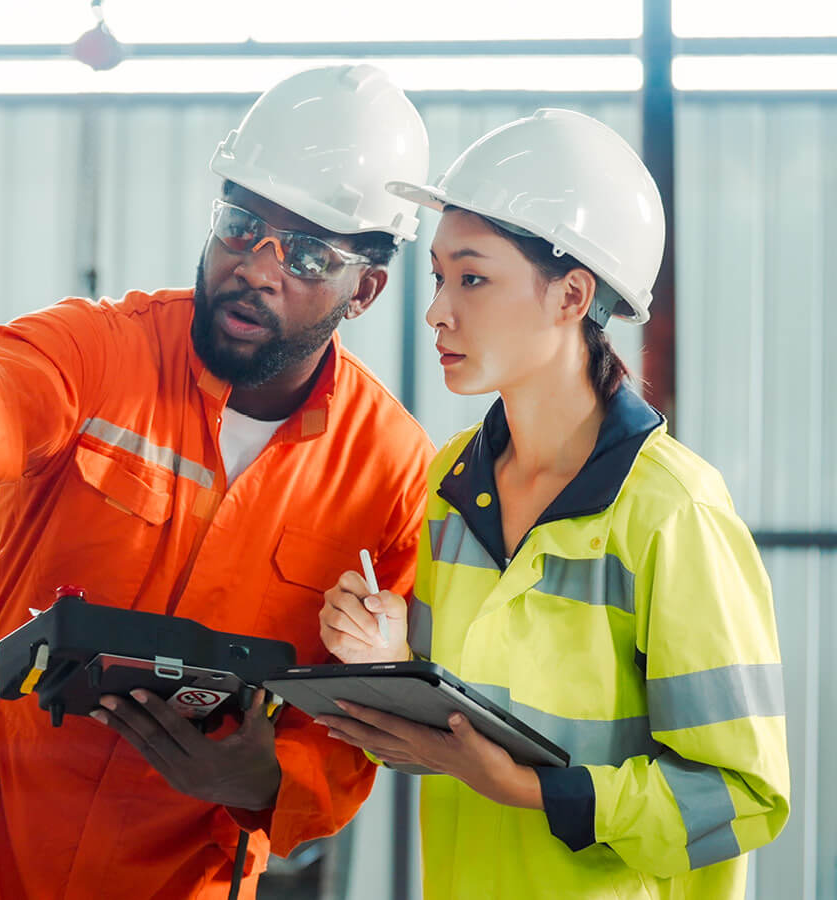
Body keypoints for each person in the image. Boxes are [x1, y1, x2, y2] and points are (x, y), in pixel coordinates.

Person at [0, 64, 435, 899]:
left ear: (367, 288)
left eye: (309, 254)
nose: (256, 267)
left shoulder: (389, 475)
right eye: (241, 225)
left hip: (174, 877)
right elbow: (6, 386)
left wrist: (263, 781)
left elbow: (363, 715)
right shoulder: (110, 350)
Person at [316, 109, 790, 899]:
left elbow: (745, 798)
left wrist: (529, 790)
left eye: (473, 277)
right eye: (439, 277)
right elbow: (452, 738)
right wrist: (392, 665)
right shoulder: (450, 486)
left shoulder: (674, 512)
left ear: (572, 294)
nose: (438, 310)